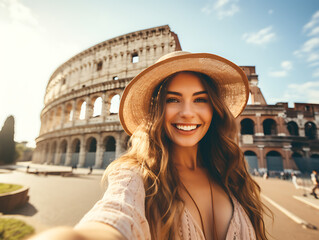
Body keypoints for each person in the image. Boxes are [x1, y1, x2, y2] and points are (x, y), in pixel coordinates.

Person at [30, 51, 268, 240]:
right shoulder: (136, 175)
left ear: (214, 108)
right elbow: (116, 213)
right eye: (172, 99)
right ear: (156, 109)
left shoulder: (232, 173)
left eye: (200, 99)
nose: (187, 112)